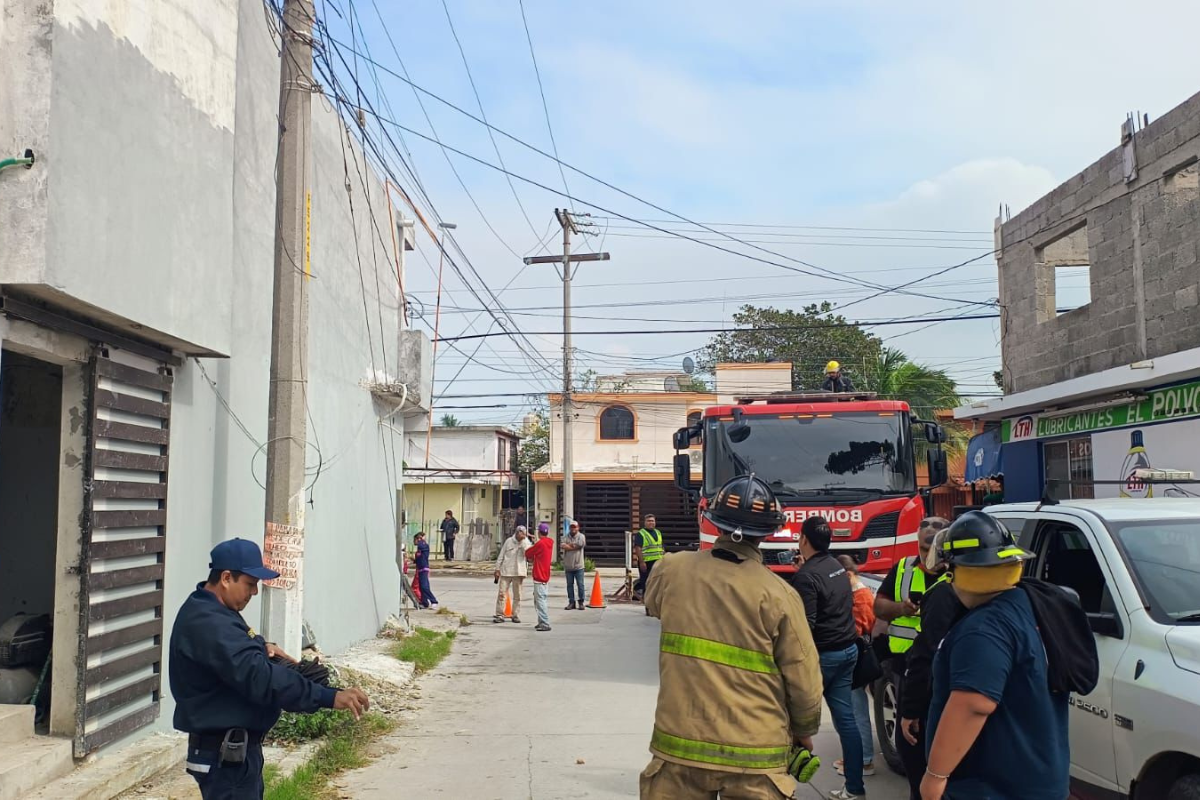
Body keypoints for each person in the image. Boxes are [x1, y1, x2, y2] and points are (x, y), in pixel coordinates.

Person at [641, 474, 823, 799]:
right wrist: (805, 731)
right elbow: (804, 681)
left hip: (679, 749)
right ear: (768, 532)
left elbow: (654, 605)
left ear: (713, 521)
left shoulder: (671, 570)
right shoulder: (781, 595)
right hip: (757, 756)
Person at [169, 538, 370, 799]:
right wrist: (328, 696)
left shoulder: (212, 610)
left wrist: (263, 645)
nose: (254, 592)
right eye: (250, 584)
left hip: (232, 754)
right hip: (225, 759)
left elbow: (235, 651)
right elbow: (261, 677)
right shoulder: (209, 621)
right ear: (227, 577)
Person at [921, 512, 1065, 800]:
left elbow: (973, 704)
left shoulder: (983, 629)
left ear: (958, 569)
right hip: (1036, 779)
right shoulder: (1031, 604)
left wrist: (935, 777)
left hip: (992, 789)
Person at [874, 517, 949, 796]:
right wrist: (901, 609)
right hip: (906, 668)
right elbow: (879, 608)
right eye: (921, 547)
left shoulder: (961, 573)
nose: (925, 554)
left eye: (931, 548)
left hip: (942, 673)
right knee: (911, 747)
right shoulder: (904, 568)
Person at [791, 516, 865, 800]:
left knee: (791, 720)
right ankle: (855, 790)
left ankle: (781, 786)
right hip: (848, 651)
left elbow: (805, 626)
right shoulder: (837, 567)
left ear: (804, 539)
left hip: (823, 657)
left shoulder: (806, 576)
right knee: (846, 722)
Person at [897, 531, 966, 800]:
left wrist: (910, 710)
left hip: (939, 700)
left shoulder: (943, 594)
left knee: (923, 777)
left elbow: (926, 656)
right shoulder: (1006, 594)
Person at [836, 555, 877, 780]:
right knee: (852, 710)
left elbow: (858, 629)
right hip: (854, 660)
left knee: (857, 711)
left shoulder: (860, 597)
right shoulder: (857, 593)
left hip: (856, 661)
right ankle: (856, 758)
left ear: (849, 575)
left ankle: (865, 760)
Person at [493, 525, 531, 623]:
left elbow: (528, 555)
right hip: (506, 571)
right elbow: (501, 555)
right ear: (517, 532)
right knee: (502, 593)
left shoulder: (526, 542)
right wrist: (497, 568)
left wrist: (523, 542)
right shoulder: (509, 541)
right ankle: (500, 614)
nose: (522, 534)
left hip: (519, 572)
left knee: (517, 595)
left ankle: (515, 614)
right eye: (521, 532)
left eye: (523, 532)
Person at [525, 522, 555, 631]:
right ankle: (540, 621)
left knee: (540, 601)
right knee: (539, 600)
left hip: (539, 576)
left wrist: (532, 545)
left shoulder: (540, 544)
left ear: (539, 532)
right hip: (545, 575)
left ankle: (544, 623)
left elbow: (528, 553)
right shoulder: (550, 542)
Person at [633, 514, 665, 599]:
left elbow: (661, 546)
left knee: (657, 582)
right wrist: (642, 562)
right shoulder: (641, 534)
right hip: (646, 563)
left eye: (652, 521)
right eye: (649, 521)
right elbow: (638, 548)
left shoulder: (658, 532)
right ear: (645, 522)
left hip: (658, 562)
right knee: (646, 583)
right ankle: (647, 603)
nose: (651, 523)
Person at [561, 520, 588, 610]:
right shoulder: (565, 536)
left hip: (579, 566)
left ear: (578, 528)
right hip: (568, 566)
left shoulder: (581, 536)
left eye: (575, 527)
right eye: (572, 527)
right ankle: (571, 602)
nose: (573, 529)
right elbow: (563, 545)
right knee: (569, 585)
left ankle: (581, 602)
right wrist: (573, 546)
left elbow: (580, 545)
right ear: (569, 528)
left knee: (580, 585)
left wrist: (569, 546)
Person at [413, 532, 438, 609]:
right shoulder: (419, 551)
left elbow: (421, 545)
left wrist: (420, 539)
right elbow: (418, 560)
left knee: (424, 587)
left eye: (415, 540)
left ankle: (434, 601)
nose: (414, 542)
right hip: (420, 570)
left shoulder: (424, 546)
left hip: (424, 569)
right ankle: (425, 603)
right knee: (421, 587)